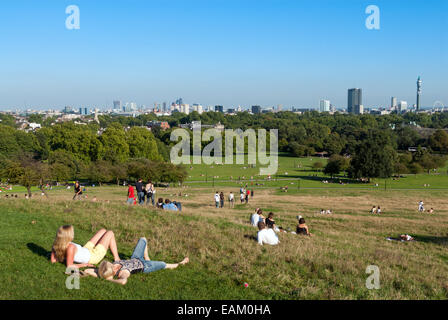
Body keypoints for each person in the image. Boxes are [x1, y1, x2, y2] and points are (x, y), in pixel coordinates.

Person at [84, 237, 189, 285]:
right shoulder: (123, 273)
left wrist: (97, 272)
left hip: (136, 257)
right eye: (113, 267)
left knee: (143, 239)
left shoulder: (107, 268)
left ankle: (147, 256)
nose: (115, 265)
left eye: (112, 264)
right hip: (145, 266)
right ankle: (181, 263)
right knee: (163, 264)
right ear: (114, 272)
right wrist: (109, 279)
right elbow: (123, 281)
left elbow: (89, 271)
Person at [50, 225, 120, 268]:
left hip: (85, 249)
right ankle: (117, 259)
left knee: (103, 230)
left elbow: (53, 260)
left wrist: (64, 258)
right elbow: (69, 266)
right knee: (110, 233)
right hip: (93, 256)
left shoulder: (56, 244)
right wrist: (85, 265)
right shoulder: (70, 247)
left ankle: (116, 257)